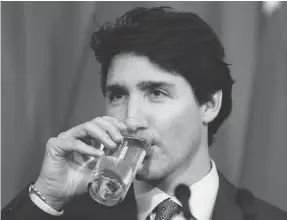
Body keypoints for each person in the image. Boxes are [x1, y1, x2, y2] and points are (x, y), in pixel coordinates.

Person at [2, 6, 287, 220]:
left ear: (209, 104)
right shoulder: (66, 212)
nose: (131, 118)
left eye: (156, 93)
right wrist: (46, 195)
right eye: (118, 95)